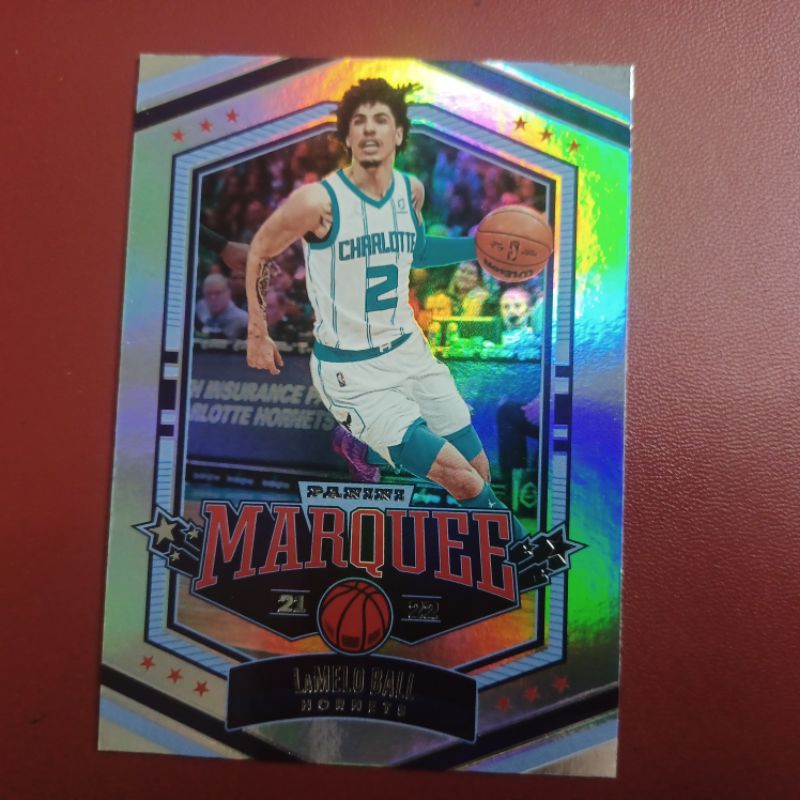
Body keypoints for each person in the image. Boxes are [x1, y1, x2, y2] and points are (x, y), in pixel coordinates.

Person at [245, 78, 530, 544]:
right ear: (346, 136)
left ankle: (489, 555)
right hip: (352, 372)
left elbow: (416, 251)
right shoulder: (318, 202)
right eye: (358, 121)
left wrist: (476, 246)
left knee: (477, 471)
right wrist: (257, 331)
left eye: (381, 119)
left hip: (410, 352)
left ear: (398, 133)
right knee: (460, 478)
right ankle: (524, 555)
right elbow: (260, 249)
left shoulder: (410, 191)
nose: (369, 129)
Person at [195, 273, 249, 340]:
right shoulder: (200, 309)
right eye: (208, 293)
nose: (213, 298)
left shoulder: (243, 320)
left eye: (218, 293)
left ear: (228, 294)